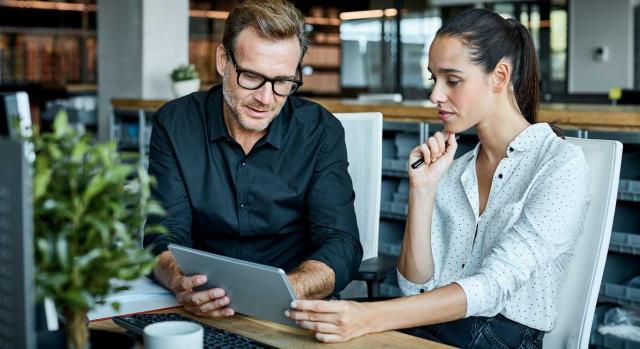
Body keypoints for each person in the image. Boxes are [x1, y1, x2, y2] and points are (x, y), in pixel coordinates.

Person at [285, 8, 590, 348]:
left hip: (504, 336)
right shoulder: (455, 169)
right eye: (434, 79)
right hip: (443, 325)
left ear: (500, 76)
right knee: (310, 330)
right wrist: (423, 191)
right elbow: (414, 287)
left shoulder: (560, 163)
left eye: (453, 80)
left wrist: (368, 317)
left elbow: (493, 287)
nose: (435, 96)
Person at [143, 0, 362, 319]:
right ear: (223, 60)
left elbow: (341, 243)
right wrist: (180, 280)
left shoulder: (320, 132)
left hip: (292, 307)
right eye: (251, 77)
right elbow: (163, 234)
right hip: (200, 304)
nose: (265, 98)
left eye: (283, 82)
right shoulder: (175, 124)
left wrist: (289, 289)